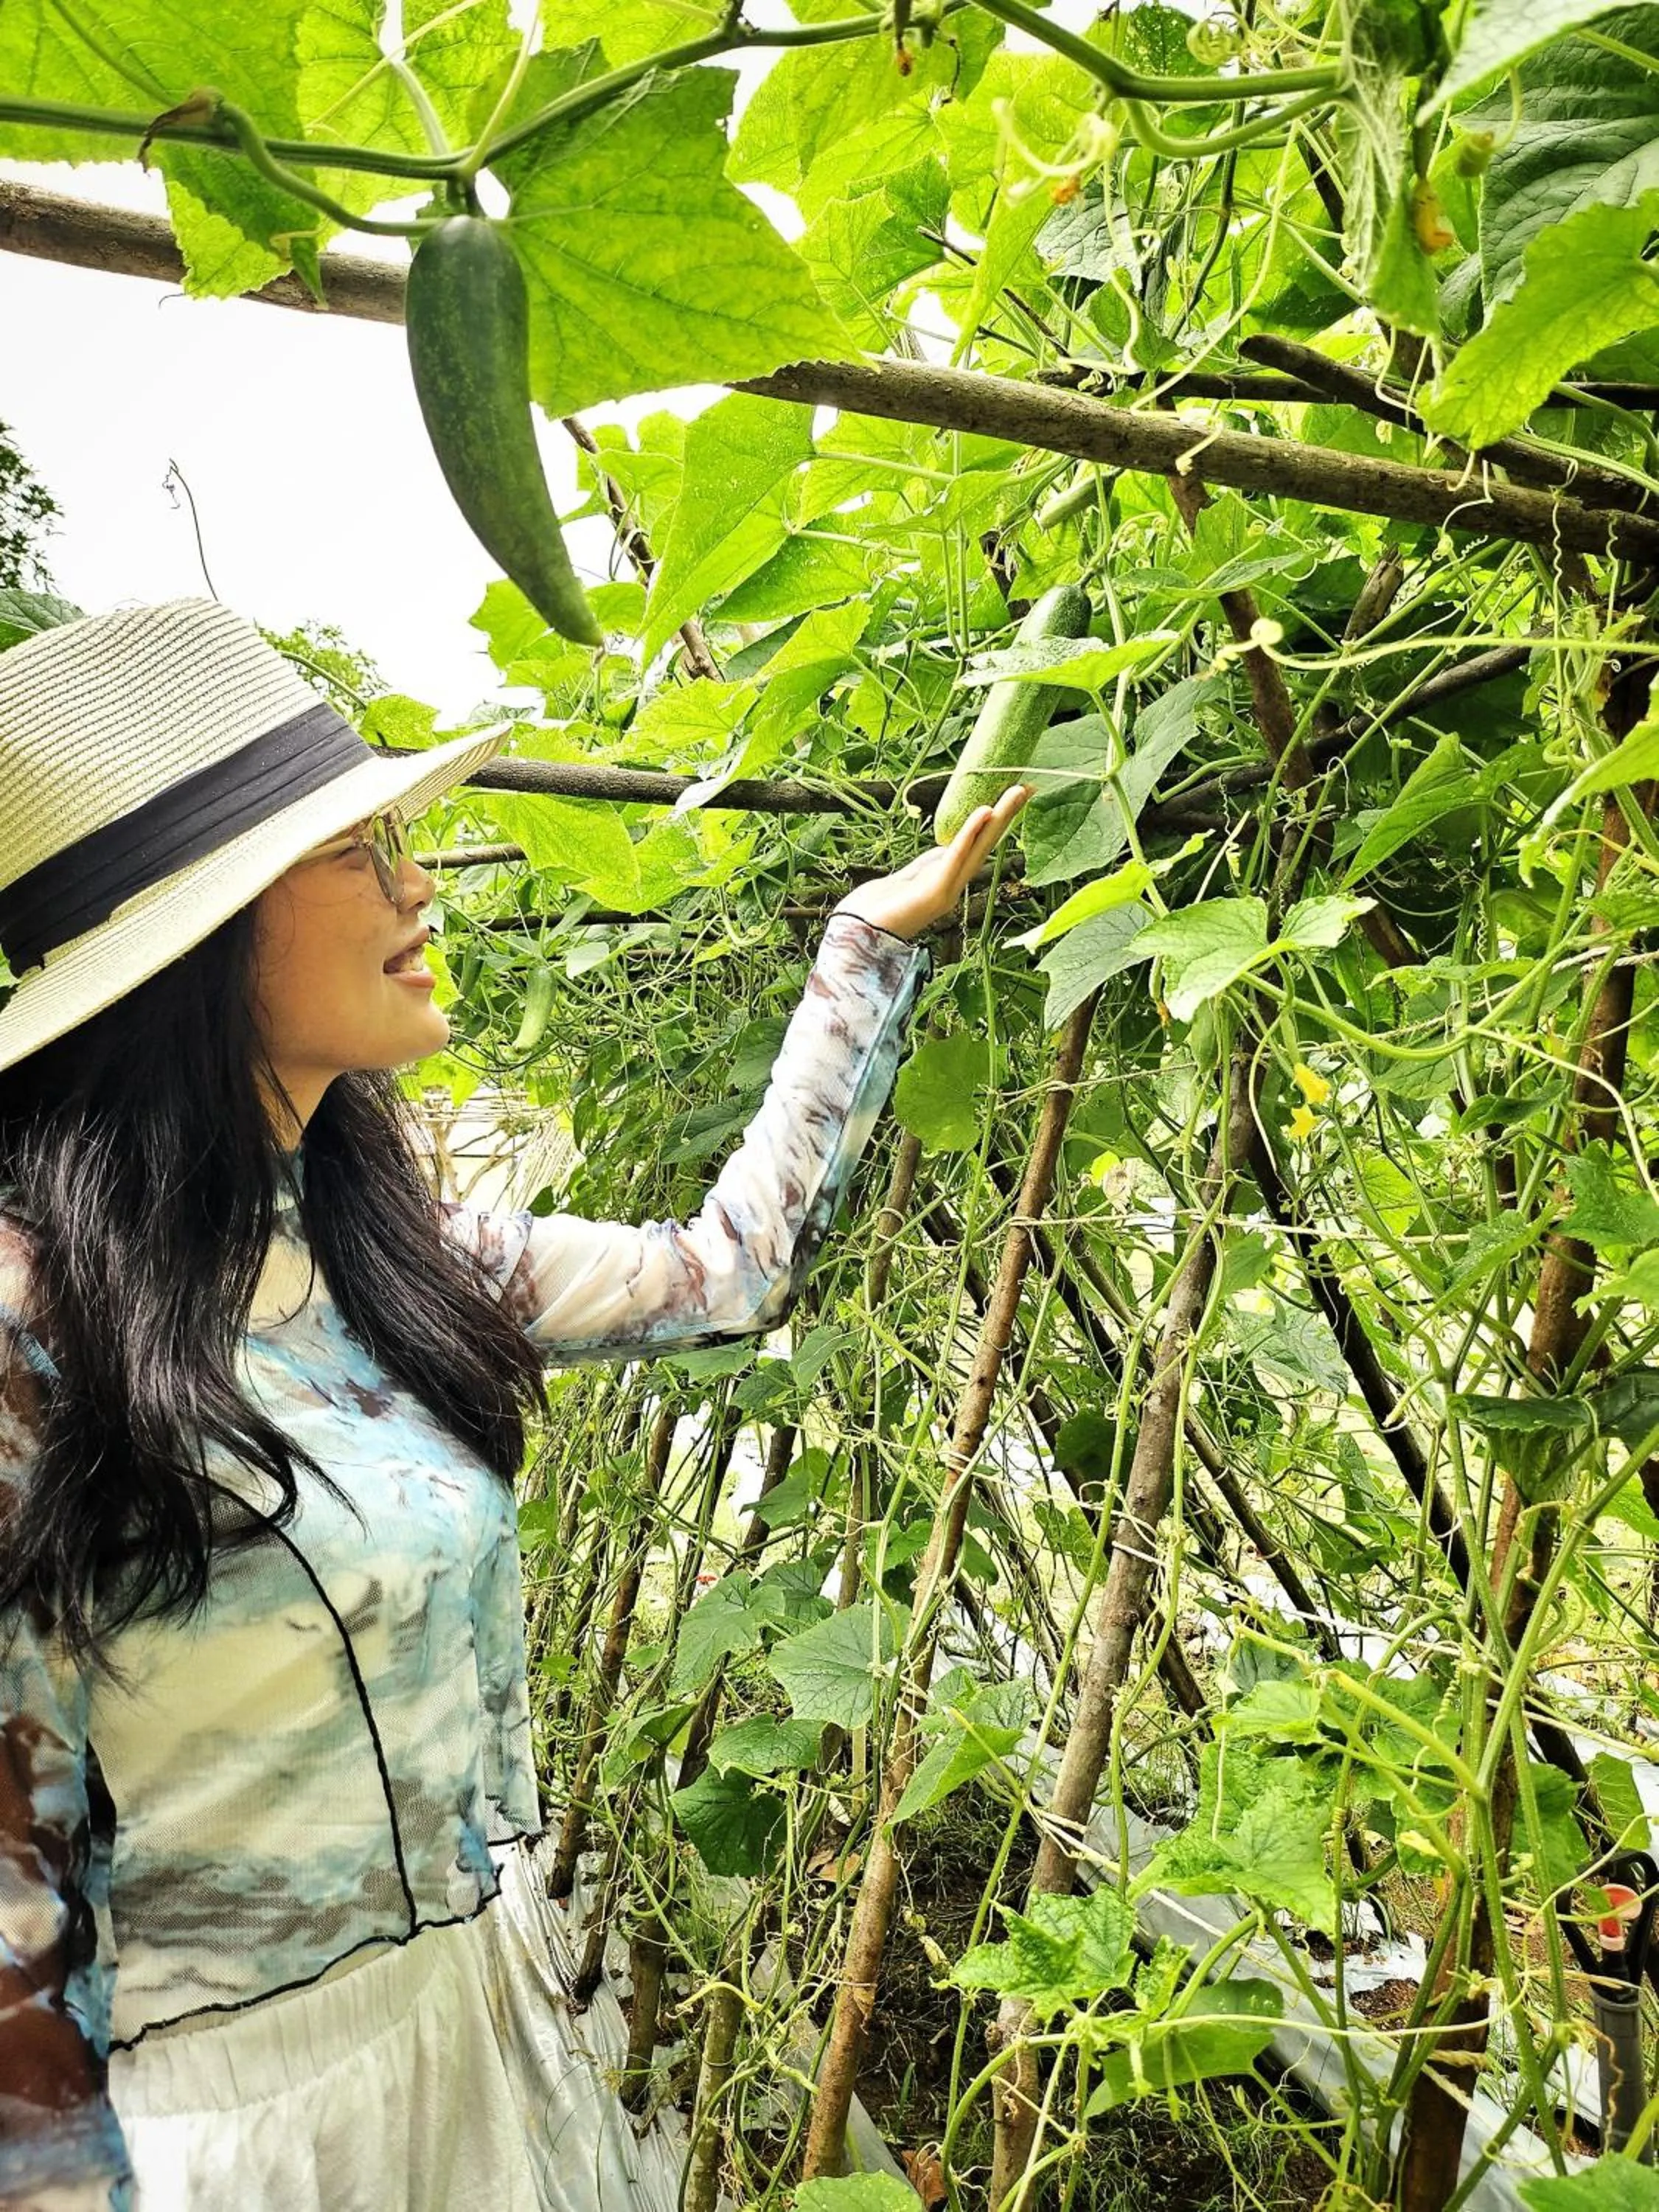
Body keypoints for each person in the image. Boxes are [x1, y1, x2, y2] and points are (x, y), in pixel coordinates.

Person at [0, 599, 1028, 2212]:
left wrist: (865, 946)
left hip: (473, 2022)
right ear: (196, 941)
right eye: (356, 852)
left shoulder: (383, 1253)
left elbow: (725, 1271)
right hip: (230, 2139)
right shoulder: (29, 1333)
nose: (418, 886)